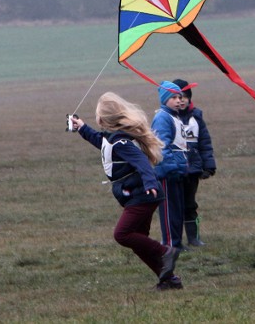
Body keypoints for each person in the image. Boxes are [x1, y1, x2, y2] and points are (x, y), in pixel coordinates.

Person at [70, 92, 182, 290]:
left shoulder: (121, 142)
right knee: (139, 241)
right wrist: (82, 128)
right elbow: (100, 141)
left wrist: (149, 184)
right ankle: (169, 280)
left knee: (122, 235)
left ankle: (166, 252)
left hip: (143, 195)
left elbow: (142, 163)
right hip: (141, 194)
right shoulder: (112, 139)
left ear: (103, 119)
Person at [173, 79, 216, 247]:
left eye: (185, 96)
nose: (182, 100)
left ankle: (194, 239)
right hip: (174, 170)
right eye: (178, 97)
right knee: (176, 207)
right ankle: (175, 241)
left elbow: (204, 143)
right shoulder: (166, 118)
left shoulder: (196, 118)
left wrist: (209, 166)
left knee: (190, 205)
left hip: (192, 170)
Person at [151, 81, 189, 250]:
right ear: (164, 99)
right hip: (167, 172)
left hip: (178, 170)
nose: (178, 100)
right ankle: (170, 244)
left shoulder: (175, 116)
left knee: (178, 209)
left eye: (179, 97)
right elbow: (161, 145)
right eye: (173, 97)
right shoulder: (162, 118)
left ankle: (177, 241)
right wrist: (170, 167)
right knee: (168, 210)